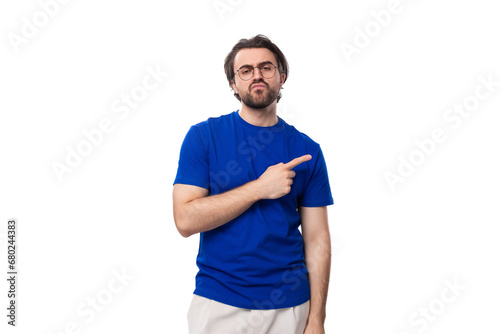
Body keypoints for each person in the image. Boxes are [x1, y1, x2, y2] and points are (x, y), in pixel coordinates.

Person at [173, 34, 334, 334]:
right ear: (233, 84)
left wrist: (317, 319)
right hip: (219, 303)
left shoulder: (307, 150)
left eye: (266, 67)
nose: (256, 75)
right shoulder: (203, 137)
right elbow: (185, 220)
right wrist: (260, 188)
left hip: (290, 306)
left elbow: (317, 239)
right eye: (245, 71)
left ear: (282, 77)